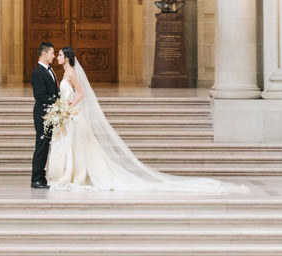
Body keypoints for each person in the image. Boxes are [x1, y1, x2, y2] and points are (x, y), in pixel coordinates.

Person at [43, 46, 231, 193]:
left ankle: (77, 174)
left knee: (79, 145)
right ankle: (71, 172)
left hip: (71, 113)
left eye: (59, 55)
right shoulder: (65, 73)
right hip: (69, 115)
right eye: (57, 54)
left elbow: (81, 94)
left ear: (66, 58)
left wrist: (68, 107)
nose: (57, 57)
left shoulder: (72, 73)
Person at [29, 40, 59, 190]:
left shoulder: (49, 70)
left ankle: (42, 176)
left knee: (45, 145)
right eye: (52, 53)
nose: (54, 56)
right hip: (43, 114)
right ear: (45, 53)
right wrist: (58, 102)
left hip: (51, 114)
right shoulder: (38, 72)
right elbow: (40, 95)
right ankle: (36, 178)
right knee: (41, 145)